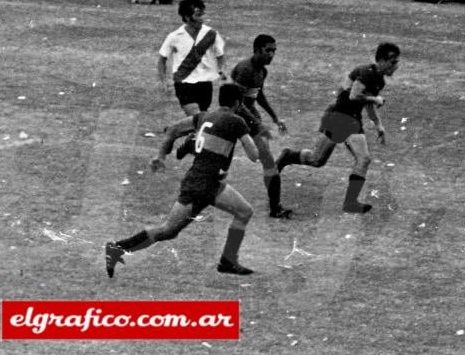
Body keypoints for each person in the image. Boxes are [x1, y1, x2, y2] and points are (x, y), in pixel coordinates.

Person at [107, 83, 259, 278]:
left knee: (244, 211)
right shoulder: (236, 121)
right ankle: (118, 248)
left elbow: (173, 130)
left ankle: (228, 261)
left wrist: (160, 155)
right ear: (238, 103)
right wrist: (246, 127)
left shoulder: (204, 116)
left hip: (206, 182)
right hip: (201, 185)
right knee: (167, 230)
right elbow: (254, 155)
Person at [275, 43, 402, 214]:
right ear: (381, 61)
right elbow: (355, 95)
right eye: (393, 62)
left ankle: (350, 202)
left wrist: (378, 124)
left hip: (352, 120)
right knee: (317, 160)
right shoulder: (366, 73)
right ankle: (288, 156)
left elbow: (367, 103)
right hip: (339, 117)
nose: (396, 66)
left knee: (360, 159)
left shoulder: (378, 79)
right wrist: (375, 99)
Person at [231, 34, 293, 219]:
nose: (272, 55)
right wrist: (257, 123)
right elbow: (237, 104)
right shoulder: (245, 69)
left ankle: (275, 208)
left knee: (267, 160)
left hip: (248, 118)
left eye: (274, 51)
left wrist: (275, 118)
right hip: (235, 119)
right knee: (220, 158)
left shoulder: (262, 71)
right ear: (257, 50)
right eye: (268, 50)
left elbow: (258, 95)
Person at [157, 0, 226, 117]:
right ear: (187, 18)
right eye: (198, 15)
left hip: (205, 83)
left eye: (202, 14)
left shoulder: (211, 34)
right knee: (196, 116)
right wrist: (164, 81)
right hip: (184, 83)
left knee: (199, 120)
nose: (202, 19)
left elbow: (220, 56)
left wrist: (222, 72)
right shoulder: (174, 36)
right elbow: (162, 59)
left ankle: (186, 134)